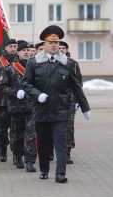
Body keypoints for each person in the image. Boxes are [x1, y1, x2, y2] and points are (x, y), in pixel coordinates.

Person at [23, 25, 91, 183]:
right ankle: (44, 169)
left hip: (61, 110)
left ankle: (60, 173)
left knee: (61, 143)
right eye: (50, 42)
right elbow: (26, 83)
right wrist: (37, 94)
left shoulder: (68, 63)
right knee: (44, 143)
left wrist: (85, 107)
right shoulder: (34, 63)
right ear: (44, 44)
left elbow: (76, 86)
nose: (54, 45)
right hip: (41, 110)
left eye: (57, 42)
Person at [0, 42, 34, 171]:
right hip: (16, 107)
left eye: (28, 50)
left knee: (30, 135)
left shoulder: (35, 67)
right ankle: (17, 156)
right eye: (23, 50)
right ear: (17, 53)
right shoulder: (9, 68)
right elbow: (2, 86)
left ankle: (30, 160)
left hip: (32, 107)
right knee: (17, 135)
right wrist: (14, 93)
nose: (26, 52)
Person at [0, 39, 18, 162]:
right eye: (11, 46)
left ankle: (16, 150)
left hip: (18, 101)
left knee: (16, 128)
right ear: (6, 48)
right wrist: (8, 90)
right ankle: (2, 148)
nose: (13, 48)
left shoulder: (20, 61)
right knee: (3, 128)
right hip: (3, 101)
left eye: (15, 46)